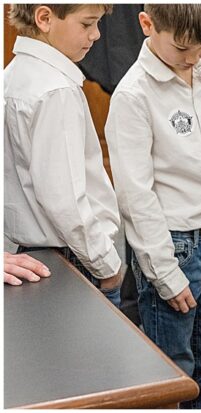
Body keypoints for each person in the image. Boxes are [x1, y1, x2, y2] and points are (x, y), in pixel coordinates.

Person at [104, 5, 201, 408]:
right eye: (182, 47)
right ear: (147, 24)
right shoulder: (133, 95)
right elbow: (136, 198)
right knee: (172, 370)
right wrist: (164, 272)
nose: (193, 57)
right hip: (174, 249)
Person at [4, 4, 123, 302]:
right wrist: (106, 265)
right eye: (87, 24)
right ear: (45, 18)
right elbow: (64, 200)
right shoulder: (57, 91)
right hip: (74, 256)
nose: (96, 35)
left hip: (34, 250)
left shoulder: (13, 73)